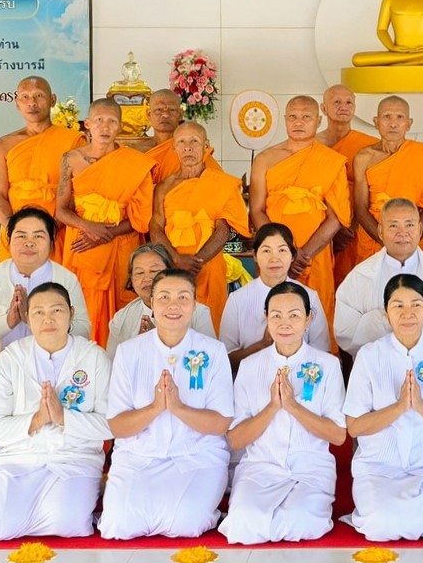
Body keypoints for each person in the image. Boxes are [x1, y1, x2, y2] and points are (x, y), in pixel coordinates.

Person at [0, 282, 112, 539]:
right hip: (18, 459)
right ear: (27, 318)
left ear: (71, 313)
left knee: (67, 523)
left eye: (56, 311)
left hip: (74, 458)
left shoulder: (94, 357)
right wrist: (35, 420)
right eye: (38, 312)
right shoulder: (10, 359)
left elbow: (112, 423)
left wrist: (63, 418)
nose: (48, 319)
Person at [99, 270, 235, 539]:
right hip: (139, 457)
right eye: (164, 297)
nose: (174, 305)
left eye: (183, 297)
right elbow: (117, 426)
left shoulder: (213, 351)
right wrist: (155, 408)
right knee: (119, 524)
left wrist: (178, 408)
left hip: (197, 456)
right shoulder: (129, 352)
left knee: (185, 523)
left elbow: (220, 424)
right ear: (152, 303)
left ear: (194, 304)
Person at [343, 275, 423, 541]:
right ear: (385, 313)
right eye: (398, 306)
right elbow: (354, 426)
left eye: (416, 305)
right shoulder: (369, 355)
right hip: (379, 466)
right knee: (382, 526)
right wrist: (400, 406)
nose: (408, 314)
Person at [219, 281, 348, 544]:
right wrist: (273, 407)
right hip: (261, 466)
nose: (285, 323)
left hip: (310, 467)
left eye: (294, 315)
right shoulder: (250, 366)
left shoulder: (328, 365)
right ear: (266, 318)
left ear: (309, 319)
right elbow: (236, 439)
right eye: (276, 315)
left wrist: (293, 406)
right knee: (243, 521)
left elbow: (338, 436)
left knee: (302, 522)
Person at [55, 98, 156, 341]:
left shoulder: (135, 164)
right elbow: (61, 210)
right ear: (88, 124)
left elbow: (140, 218)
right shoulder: (70, 159)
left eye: (112, 121)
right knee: (82, 308)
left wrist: (103, 235)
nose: (105, 127)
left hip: (120, 246)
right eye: (99, 120)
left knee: (122, 314)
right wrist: (88, 227)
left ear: (120, 127)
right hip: (81, 245)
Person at [250, 95, 352, 318]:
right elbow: (256, 209)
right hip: (273, 254)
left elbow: (336, 218)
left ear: (318, 121)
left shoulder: (331, 161)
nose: (298, 122)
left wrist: (302, 255)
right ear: (285, 120)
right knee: (271, 313)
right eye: (293, 117)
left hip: (314, 255)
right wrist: (282, 251)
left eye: (306, 117)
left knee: (316, 315)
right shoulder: (265, 159)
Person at [334, 197, 423, 357]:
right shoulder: (361, 275)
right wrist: (385, 322)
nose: (402, 233)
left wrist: (409, 325)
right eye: (394, 226)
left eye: (409, 225)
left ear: (420, 229)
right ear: (380, 231)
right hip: (378, 364)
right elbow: (344, 331)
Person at [151, 121, 248, 326]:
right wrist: (176, 259)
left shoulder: (221, 183)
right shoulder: (163, 187)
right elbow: (156, 227)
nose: (188, 147)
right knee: (174, 323)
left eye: (194, 141)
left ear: (206, 146)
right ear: (174, 147)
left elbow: (223, 230)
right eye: (182, 142)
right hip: (172, 265)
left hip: (209, 266)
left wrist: (197, 262)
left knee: (211, 326)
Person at [0, 206, 90, 351]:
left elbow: (83, 333)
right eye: (21, 236)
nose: (29, 243)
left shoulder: (66, 278)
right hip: (2, 370)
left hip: (54, 370)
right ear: (9, 240)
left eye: (38, 236)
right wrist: (8, 321)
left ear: (51, 241)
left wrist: (32, 319)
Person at [353, 96, 423, 260]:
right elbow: (360, 208)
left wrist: (410, 243)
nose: (393, 123)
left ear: (409, 123)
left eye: (400, 117)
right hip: (373, 240)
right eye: (387, 117)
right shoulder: (364, 158)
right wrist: (386, 243)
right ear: (376, 122)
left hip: (412, 241)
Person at [0, 76, 85, 245]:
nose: (32, 103)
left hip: (59, 232)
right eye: (25, 97)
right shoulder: (3, 145)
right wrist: (15, 232)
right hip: (15, 236)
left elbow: (79, 194)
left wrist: (50, 232)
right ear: (17, 103)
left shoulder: (73, 141)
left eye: (39, 95)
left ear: (53, 100)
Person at [222, 223, 333, 363]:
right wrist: (262, 345)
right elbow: (226, 360)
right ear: (254, 255)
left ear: (293, 256)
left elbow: (322, 353)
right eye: (266, 251)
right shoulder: (237, 300)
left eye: (282, 250)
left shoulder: (310, 297)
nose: (274, 258)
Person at [318, 84, 378, 284]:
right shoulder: (310, 144)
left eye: (348, 102)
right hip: (318, 229)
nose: (343, 106)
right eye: (336, 102)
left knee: (356, 286)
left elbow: (375, 190)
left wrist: (350, 227)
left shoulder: (370, 146)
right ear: (324, 108)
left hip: (357, 229)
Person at [108, 243, 218, 349]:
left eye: (154, 271)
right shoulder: (121, 319)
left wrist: (159, 340)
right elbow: (113, 364)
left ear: (170, 273)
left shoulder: (198, 313)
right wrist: (138, 346)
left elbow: (208, 359)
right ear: (131, 279)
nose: (147, 278)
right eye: (139, 273)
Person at [143, 89, 218, 183]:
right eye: (159, 110)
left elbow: (218, 186)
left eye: (172, 110)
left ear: (180, 114)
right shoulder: (139, 150)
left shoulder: (194, 149)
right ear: (149, 114)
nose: (165, 115)